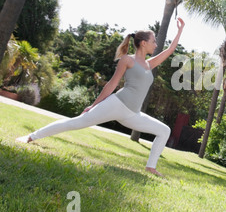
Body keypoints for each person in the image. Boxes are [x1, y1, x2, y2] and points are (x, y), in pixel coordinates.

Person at [16, 18, 186, 177]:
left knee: (164, 130)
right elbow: (111, 84)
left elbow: (170, 50)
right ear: (143, 43)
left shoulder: (150, 63)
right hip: (117, 104)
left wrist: (180, 30)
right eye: (153, 41)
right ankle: (31, 137)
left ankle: (150, 166)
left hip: (133, 114)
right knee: (76, 123)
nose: (156, 44)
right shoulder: (127, 60)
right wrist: (94, 105)